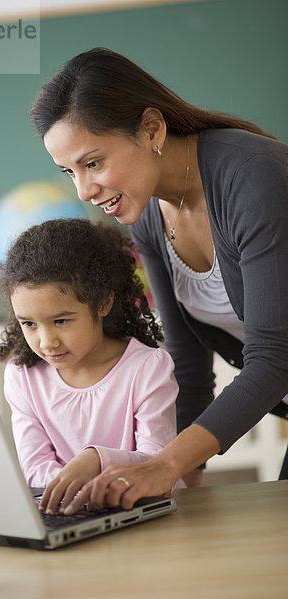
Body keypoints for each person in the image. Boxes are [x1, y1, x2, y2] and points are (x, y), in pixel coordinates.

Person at [30, 47, 288, 514]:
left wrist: (164, 466)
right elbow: (188, 371)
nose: (84, 191)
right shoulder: (148, 214)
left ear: (151, 129)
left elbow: (275, 357)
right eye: (69, 171)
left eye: (93, 163)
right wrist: (170, 498)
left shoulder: (254, 179)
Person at [0, 218, 185, 514]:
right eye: (29, 324)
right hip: (75, 515)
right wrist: (84, 492)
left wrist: (96, 459)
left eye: (61, 321)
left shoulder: (148, 368)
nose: (47, 342)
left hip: (150, 515)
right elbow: (34, 470)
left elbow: (157, 461)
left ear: (103, 304)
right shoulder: (22, 376)